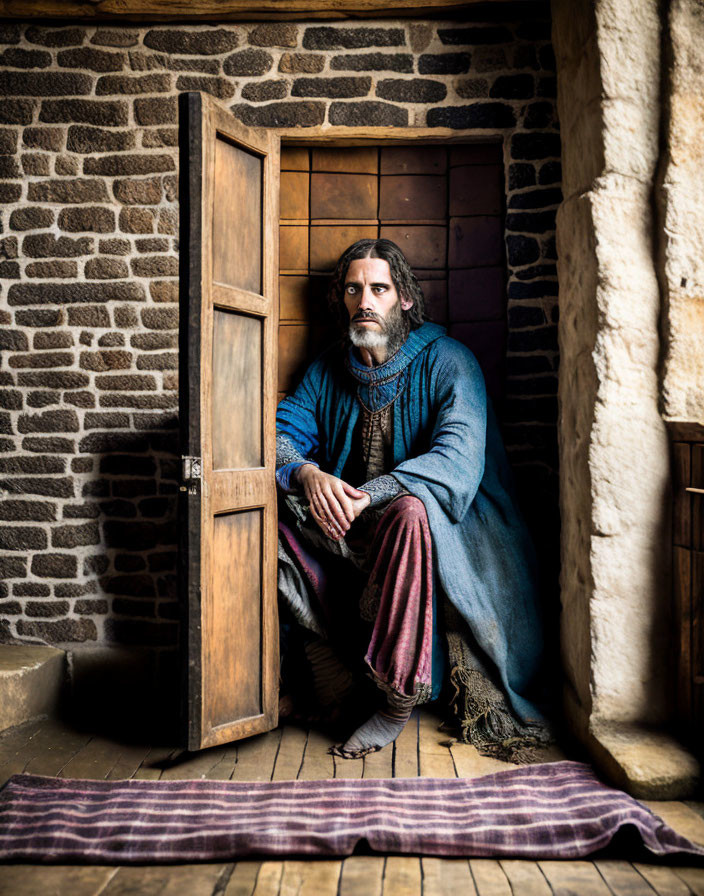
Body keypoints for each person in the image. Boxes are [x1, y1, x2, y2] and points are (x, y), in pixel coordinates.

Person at [275, 238, 549, 760]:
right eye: (354, 289)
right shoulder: (330, 367)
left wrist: (367, 495)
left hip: (456, 527)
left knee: (410, 510)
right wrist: (310, 475)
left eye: (379, 288)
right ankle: (326, 671)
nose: (365, 301)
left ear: (403, 298)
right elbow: (280, 438)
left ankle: (396, 700)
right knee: (264, 513)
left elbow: (455, 463)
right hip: (356, 527)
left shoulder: (450, 361)